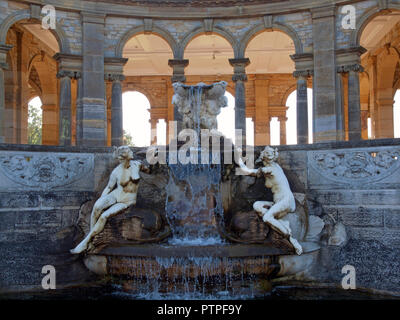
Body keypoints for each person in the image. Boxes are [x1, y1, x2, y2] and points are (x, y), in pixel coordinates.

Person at [70, 146, 149, 254]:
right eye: (129, 151)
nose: (131, 152)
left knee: (104, 216)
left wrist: (148, 161)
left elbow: (146, 171)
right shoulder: (116, 171)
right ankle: (92, 241)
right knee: (97, 207)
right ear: (124, 156)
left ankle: (86, 241)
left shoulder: (137, 165)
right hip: (115, 195)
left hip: (126, 201)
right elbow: (108, 188)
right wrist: (102, 199)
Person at [237, 146, 303, 255]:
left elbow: (246, 171)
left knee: (267, 217)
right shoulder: (275, 166)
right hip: (279, 201)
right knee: (257, 205)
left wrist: (238, 157)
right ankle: (280, 223)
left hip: (286, 200)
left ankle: (291, 238)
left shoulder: (270, 169)